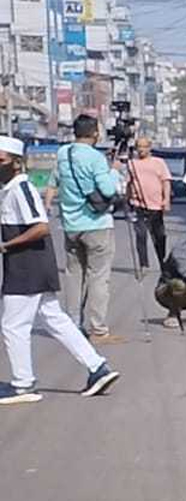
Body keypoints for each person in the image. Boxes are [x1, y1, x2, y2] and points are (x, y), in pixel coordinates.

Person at [0, 135, 119, 403]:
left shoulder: (21, 188)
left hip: (27, 265)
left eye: (1, 160)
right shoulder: (11, 188)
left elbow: (40, 227)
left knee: (13, 325)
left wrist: (5, 245)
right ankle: (97, 367)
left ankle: (23, 384)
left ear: (16, 163)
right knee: (55, 319)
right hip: (31, 263)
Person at [53, 113, 123, 340]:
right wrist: (114, 170)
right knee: (99, 277)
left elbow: (58, 181)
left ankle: (72, 324)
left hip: (71, 224)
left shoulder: (63, 153)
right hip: (96, 224)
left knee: (74, 276)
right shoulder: (95, 157)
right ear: (95, 133)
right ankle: (98, 328)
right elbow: (109, 190)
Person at [123, 136, 172, 272]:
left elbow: (166, 182)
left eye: (144, 147)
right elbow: (129, 183)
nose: (141, 149)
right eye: (139, 146)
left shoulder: (159, 162)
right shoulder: (132, 164)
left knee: (159, 236)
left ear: (149, 148)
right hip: (137, 204)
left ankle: (162, 261)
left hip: (155, 206)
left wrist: (166, 200)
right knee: (140, 235)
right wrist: (127, 200)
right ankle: (143, 264)